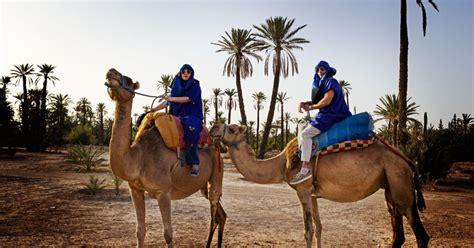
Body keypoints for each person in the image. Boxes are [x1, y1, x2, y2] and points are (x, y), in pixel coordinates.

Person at [290, 61, 352, 185]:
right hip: (327, 115)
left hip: (332, 115)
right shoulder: (323, 84)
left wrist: (311, 108)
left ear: (327, 70)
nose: (320, 71)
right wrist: (305, 103)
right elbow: (318, 101)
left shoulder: (331, 81)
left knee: (305, 135)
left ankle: (305, 168)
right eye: (318, 69)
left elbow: (326, 101)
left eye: (322, 69)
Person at [151, 64, 203, 176]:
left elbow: (187, 99)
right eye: (183, 71)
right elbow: (168, 102)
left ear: (191, 74)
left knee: (190, 127)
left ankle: (194, 163)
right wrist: (154, 109)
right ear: (180, 73)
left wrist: (171, 98)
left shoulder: (195, 87)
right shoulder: (176, 89)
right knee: (158, 121)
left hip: (192, 116)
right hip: (177, 115)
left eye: (188, 72)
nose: (185, 73)